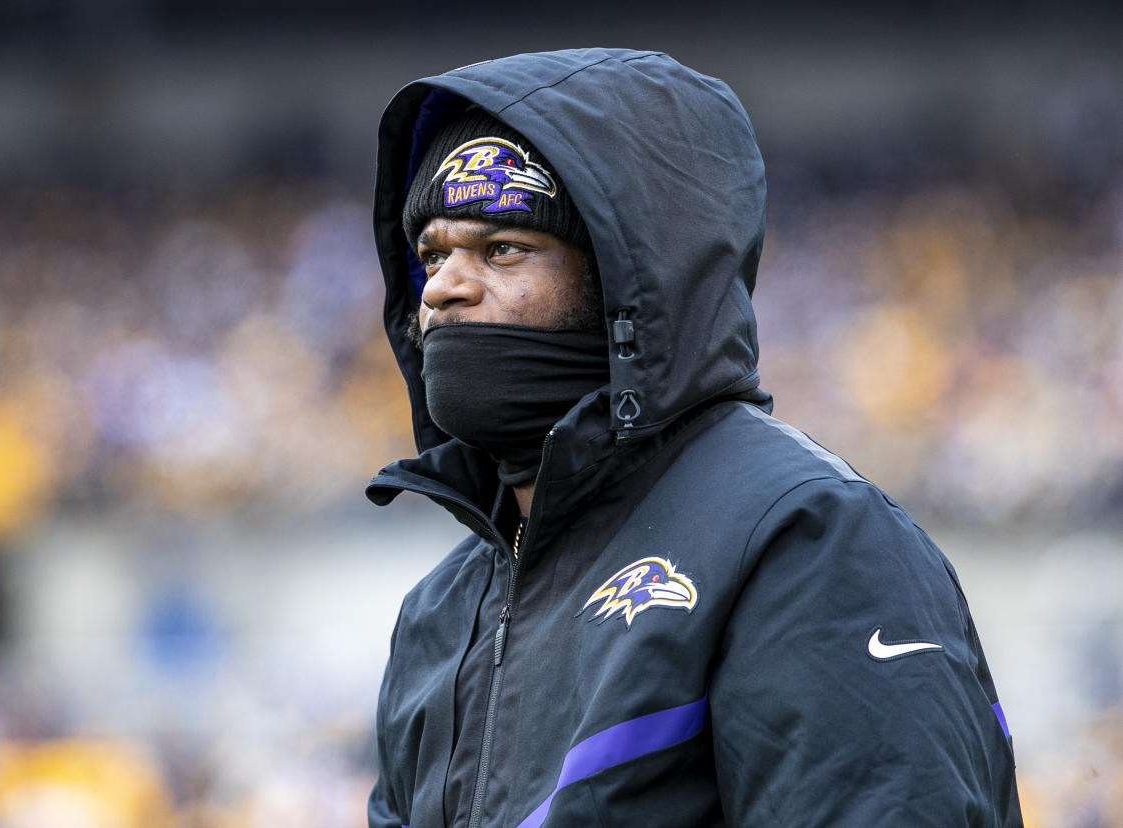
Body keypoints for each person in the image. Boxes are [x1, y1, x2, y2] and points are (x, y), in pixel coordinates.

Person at [365, 47, 1022, 828]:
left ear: (628, 277)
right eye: (433, 253)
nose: (442, 285)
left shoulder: (802, 538)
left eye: (502, 248)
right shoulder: (440, 608)